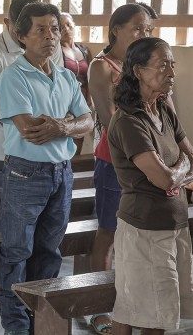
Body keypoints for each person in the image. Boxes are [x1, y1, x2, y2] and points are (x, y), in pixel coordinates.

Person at [0, 2, 93, 335]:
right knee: (16, 252)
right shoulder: (13, 76)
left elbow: (88, 120)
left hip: (61, 172)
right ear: (21, 35)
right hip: (25, 173)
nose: (50, 36)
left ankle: (42, 322)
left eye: (54, 29)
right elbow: (31, 130)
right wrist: (70, 124)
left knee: (49, 252)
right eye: (40, 29)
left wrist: (64, 127)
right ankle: (16, 327)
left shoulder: (65, 76)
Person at [108, 37, 193, 335]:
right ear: (139, 71)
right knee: (148, 316)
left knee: (146, 309)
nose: (171, 72)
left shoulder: (163, 110)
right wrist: (181, 169)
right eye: (162, 65)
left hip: (174, 224)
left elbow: (189, 154)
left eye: (172, 63)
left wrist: (180, 167)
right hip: (144, 230)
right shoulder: (129, 121)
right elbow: (164, 179)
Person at [86, 2, 155, 334]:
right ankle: (100, 308)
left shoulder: (148, 65)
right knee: (108, 233)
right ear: (116, 29)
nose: (144, 35)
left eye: (148, 30)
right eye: (138, 29)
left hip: (148, 160)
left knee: (139, 236)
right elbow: (109, 118)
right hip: (116, 161)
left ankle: (131, 305)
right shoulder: (102, 67)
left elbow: (167, 116)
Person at [0, 0, 41, 312]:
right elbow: (1, 108)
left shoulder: (43, 49)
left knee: (29, 215)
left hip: (38, 150)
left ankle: (21, 278)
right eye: (24, 25)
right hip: (4, 149)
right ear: (9, 23)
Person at [59, 12, 93, 154]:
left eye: (68, 25)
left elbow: (90, 77)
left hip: (83, 101)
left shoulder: (84, 50)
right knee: (66, 139)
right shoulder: (57, 52)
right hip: (66, 103)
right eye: (61, 27)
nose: (66, 29)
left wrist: (90, 98)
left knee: (79, 136)